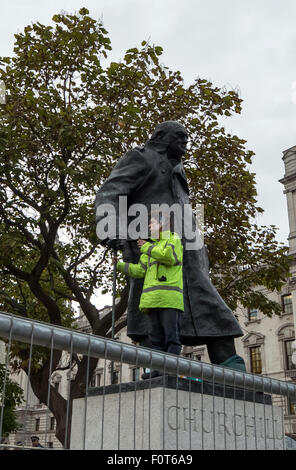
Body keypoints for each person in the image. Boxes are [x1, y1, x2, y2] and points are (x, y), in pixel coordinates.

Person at [96, 120, 246, 371]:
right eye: (180, 136)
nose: (186, 142)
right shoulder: (140, 158)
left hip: (186, 249)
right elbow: (108, 193)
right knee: (149, 313)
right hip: (151, 247)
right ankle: (156, 367)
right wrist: (113, 230)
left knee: (209, 306)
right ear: (163, 137)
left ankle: (232, 370)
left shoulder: (177, 166)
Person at [113, 214, 184, 378]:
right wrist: (120, 265)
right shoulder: (150, 248)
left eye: (152, 223)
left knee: (171, 338)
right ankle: (157, 370)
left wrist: (146, 247)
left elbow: (168, 256)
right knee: (156, 340)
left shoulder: (173, 239)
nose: (149, 227)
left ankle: (170, 370)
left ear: (163, 224)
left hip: (169, 300)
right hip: (152, 301)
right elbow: (139, 270)